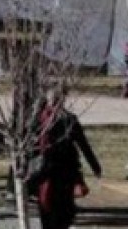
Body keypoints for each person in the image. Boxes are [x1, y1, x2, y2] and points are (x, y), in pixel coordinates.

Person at [29, 87, 102, 229]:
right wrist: (95, 166)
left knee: (50, 208)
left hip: (50, 171)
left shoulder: (43, 118)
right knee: (60, 210)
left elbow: (31, 145)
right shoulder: (64, 119)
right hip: (59, 171)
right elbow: (83, 144)